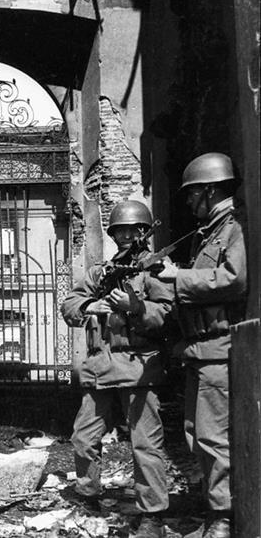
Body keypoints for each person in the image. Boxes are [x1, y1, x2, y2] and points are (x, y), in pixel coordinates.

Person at [61, 200, 173, 538]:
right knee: (84, 437)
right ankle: (88, 497)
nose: (125, 236)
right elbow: (69, 303)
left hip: (138, 368)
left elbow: (166, 315)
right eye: (119, 230)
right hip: (99, 368)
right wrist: (87, 305)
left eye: (132, 230)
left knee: (145, 445)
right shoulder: (101, 271)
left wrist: (136, 307)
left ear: (144, 232)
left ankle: (152, 515)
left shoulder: (155, 269)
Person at [157, 153, 246, 538]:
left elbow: (234, 278)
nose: (189, 204)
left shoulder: (233, 228)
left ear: (209, 191)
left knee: (212, 437)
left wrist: (179, 278)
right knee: (197, 433)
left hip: (218, 347)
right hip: (200, 350)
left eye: (192, 196)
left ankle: (223, 517)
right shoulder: (209, 232)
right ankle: (215, 506)